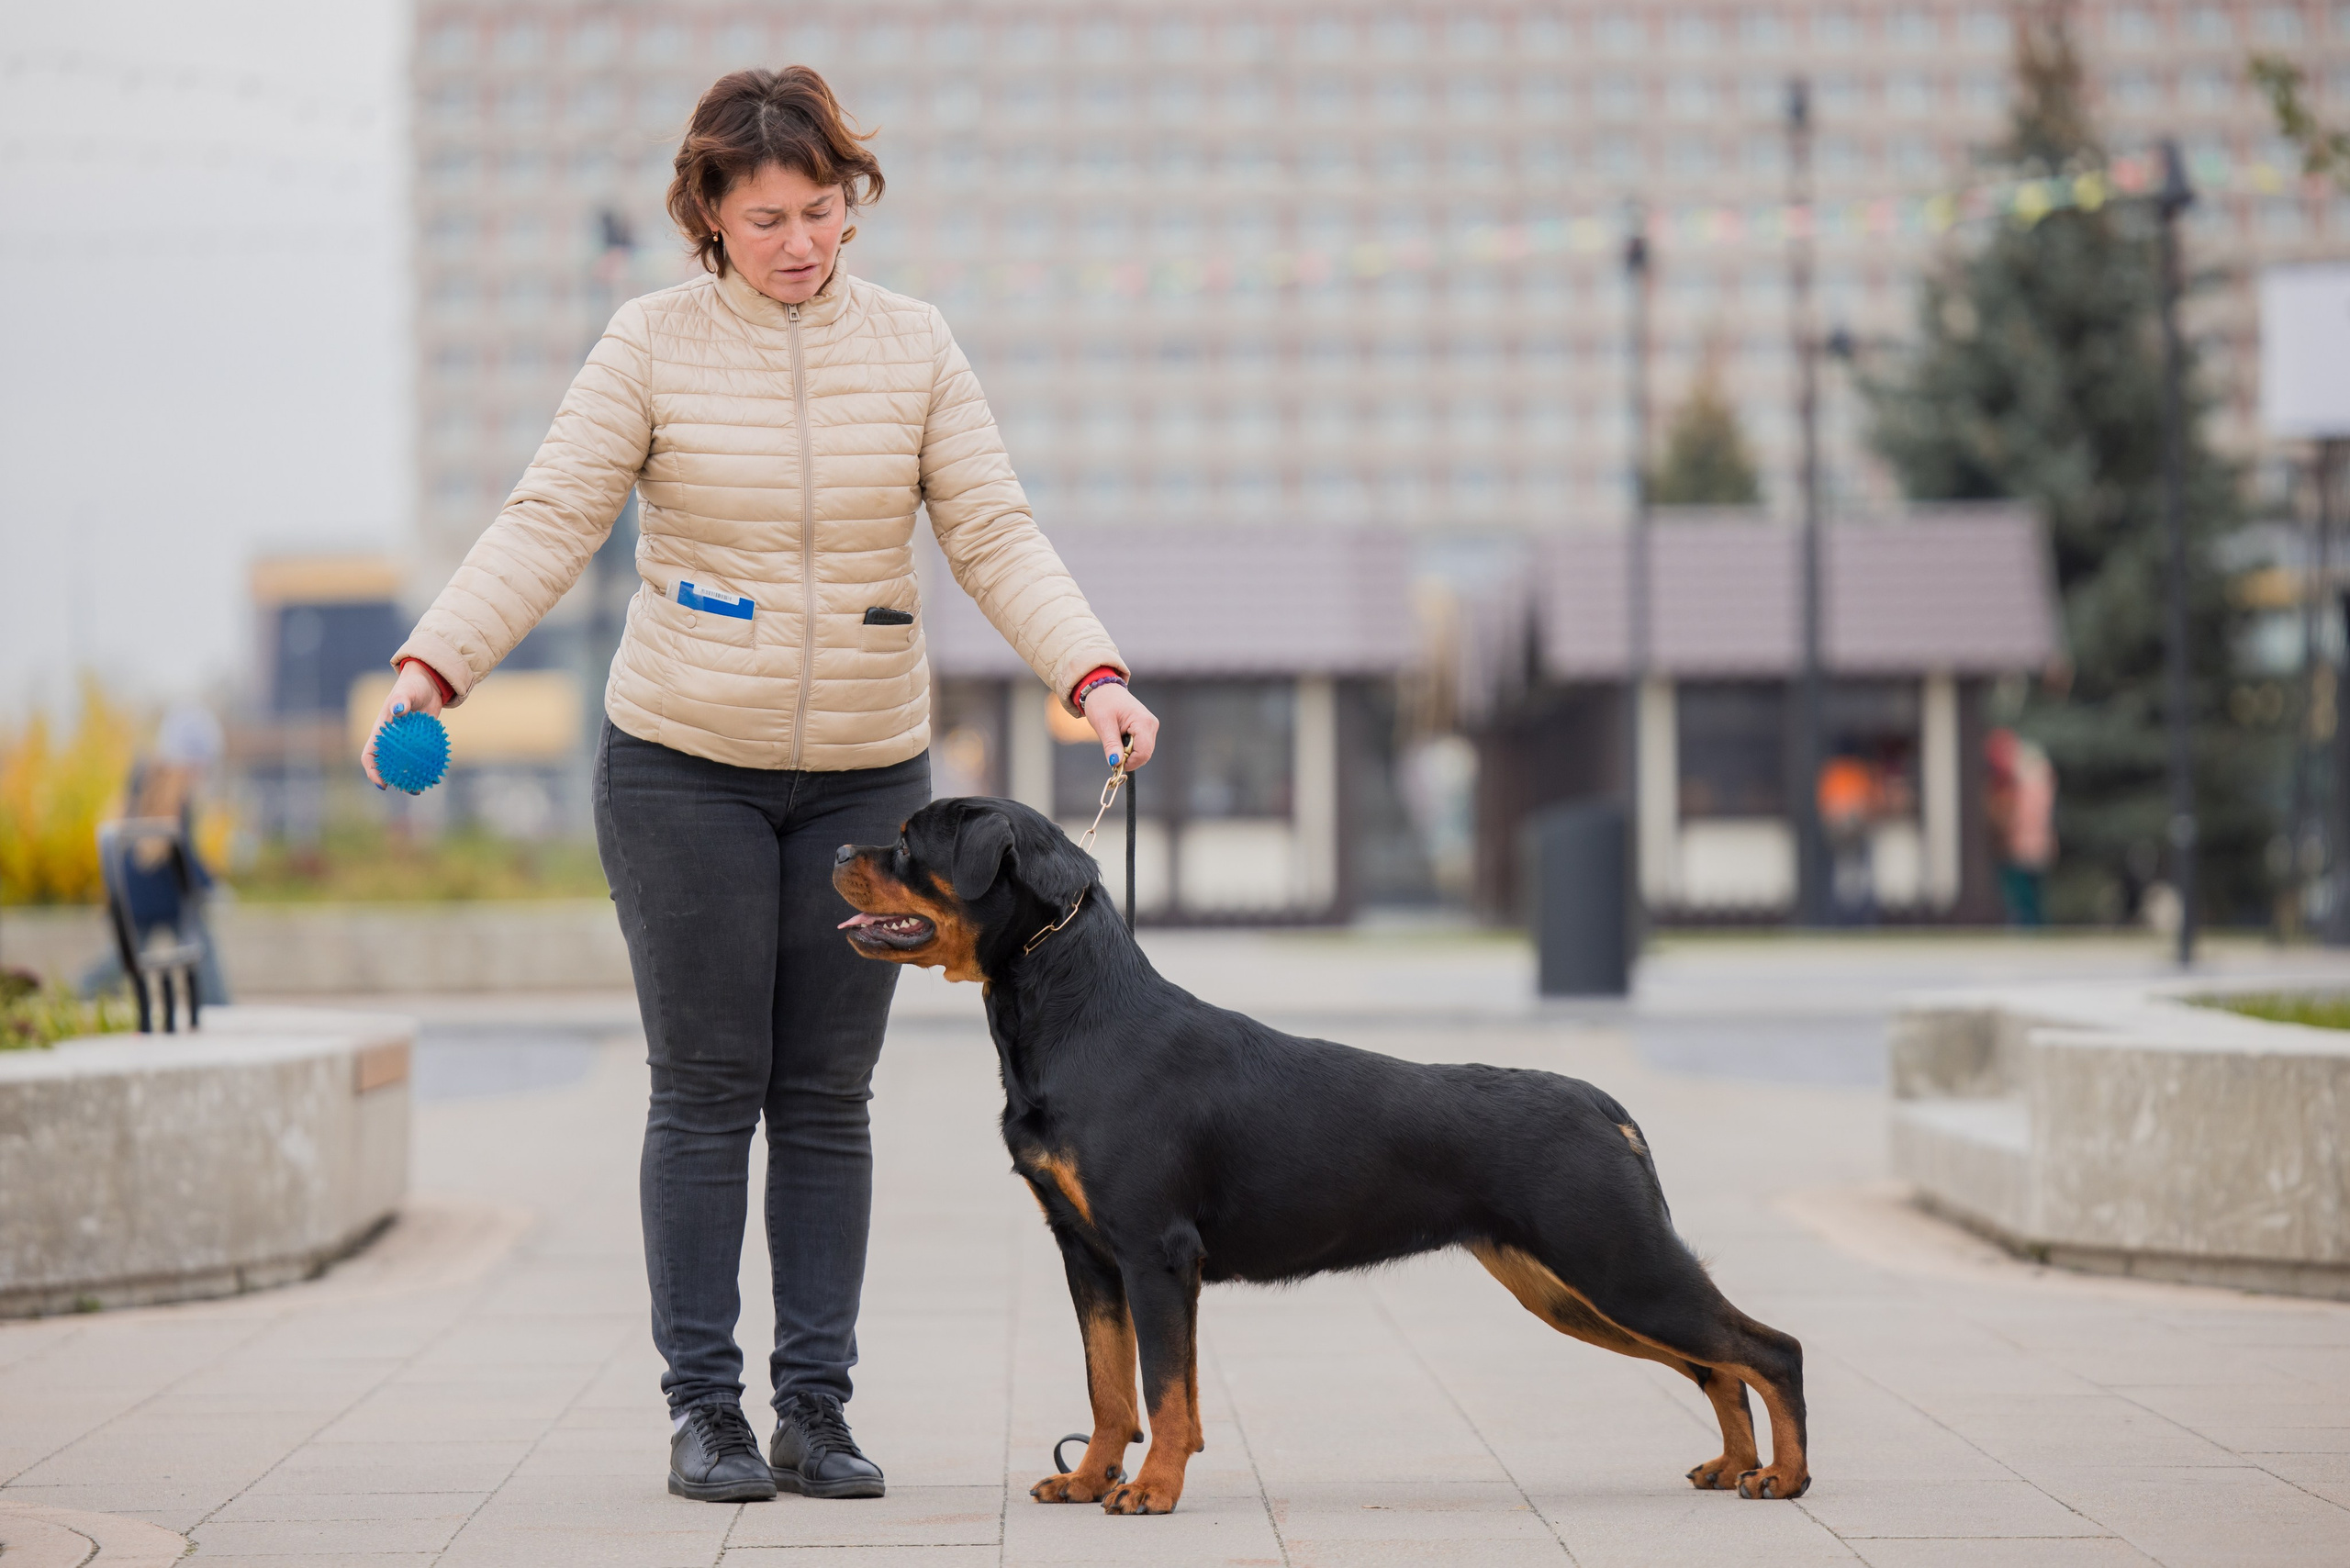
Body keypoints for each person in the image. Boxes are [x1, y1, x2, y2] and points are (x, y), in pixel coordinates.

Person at [362, 67, 1158, 1506]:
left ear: (853, 201)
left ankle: (816, 1409)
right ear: (710, 220)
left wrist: (1089, 671)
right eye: (769, 218)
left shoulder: (915, 347)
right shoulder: (649, 344)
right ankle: (706, 1412)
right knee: (709, 1087)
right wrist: (436, 667)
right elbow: (551, 515)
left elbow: (992, 527)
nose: (802, 241)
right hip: (681, 769)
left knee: (829, 1094)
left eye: (824, 210)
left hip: (865, 779)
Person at [1984, 728, 2055, 926]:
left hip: (2023, 845)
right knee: (2027, 892)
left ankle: (2030, 927)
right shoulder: (2027, 782)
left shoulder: (2027, 784)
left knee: (2025, 895)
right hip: (2027, 844)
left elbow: (2027, 817)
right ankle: (2030, 925)